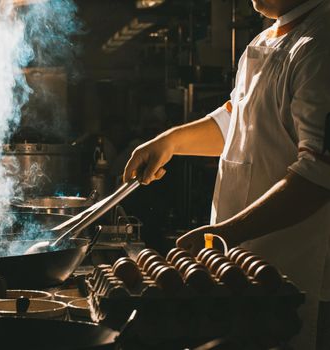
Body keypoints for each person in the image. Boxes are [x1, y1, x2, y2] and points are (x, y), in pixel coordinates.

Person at [122, 0, 330, 348]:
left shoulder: (320, 48)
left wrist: (226, 233)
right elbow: (241, 122)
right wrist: (170, 142)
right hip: (245, 273)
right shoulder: (264, 42)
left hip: (299, 274)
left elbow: (319, 175)